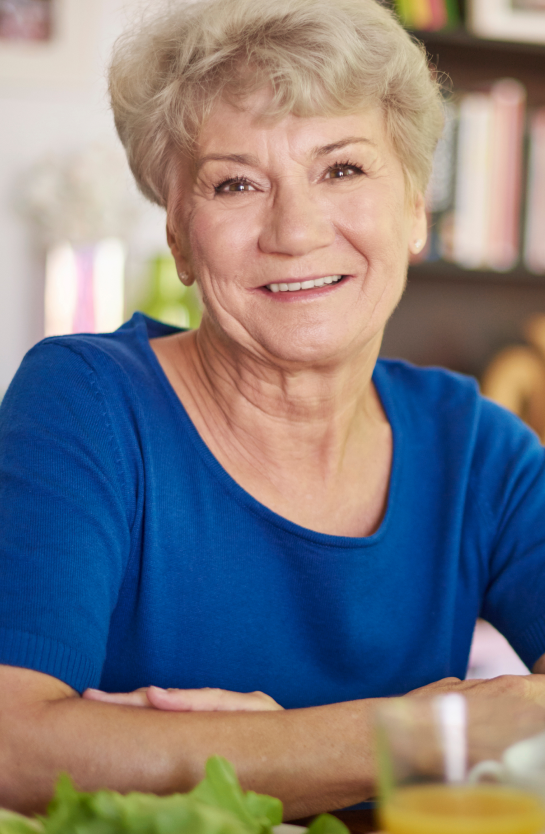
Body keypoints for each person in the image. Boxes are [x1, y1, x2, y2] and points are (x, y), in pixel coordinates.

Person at [1, 0, 545, 819]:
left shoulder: (479, 451)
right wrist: (420, 733)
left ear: (411, 211)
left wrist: (262, 753)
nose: (293, 230)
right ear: (180, 240)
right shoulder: (88, 405)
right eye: (235, 183)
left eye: (342, 169)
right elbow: (13, 747)